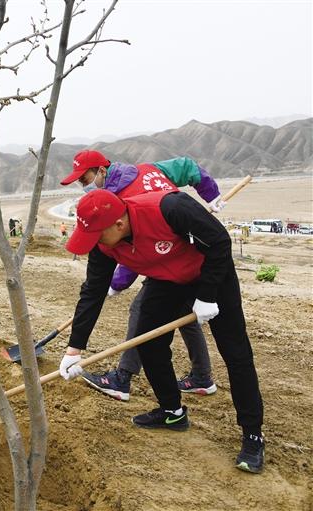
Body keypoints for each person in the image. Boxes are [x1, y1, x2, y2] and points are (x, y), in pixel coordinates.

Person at [59, 188, 265, 474]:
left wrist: (206, 295)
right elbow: (92, 293)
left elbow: (219, 242)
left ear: (118, 224)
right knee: (149, 342)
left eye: (96, 236)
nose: (93, 243)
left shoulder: (170, 207)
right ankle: (172, 412)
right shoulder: (104, 242)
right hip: (166, 279)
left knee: (236, 354)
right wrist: (74, 350)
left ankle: (253, 435)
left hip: (211, 274)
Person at [61, 150, 225, 401]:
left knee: (143, 310)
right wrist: (209, 193)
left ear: (102, 171)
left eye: (85, 179)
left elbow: (141, 250)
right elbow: (185, 166)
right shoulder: (141, 171)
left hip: (180, 255)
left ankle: (122, 378)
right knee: (182, 312)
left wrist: (210, 193)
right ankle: (202, 377)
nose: (83, 186)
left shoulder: (127, 199)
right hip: (172, 260)